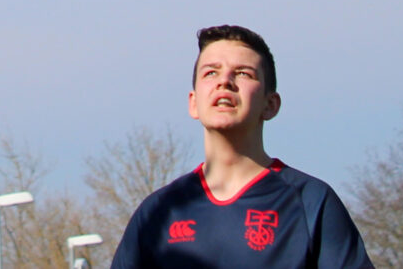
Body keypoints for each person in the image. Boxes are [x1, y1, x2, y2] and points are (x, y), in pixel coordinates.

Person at [110, 27, 373, 269]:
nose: (224, 81)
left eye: (243, 73)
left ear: (270, 104)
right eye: (211, 72)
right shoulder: (158, 212)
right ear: (193, 103)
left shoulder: (312, 202)